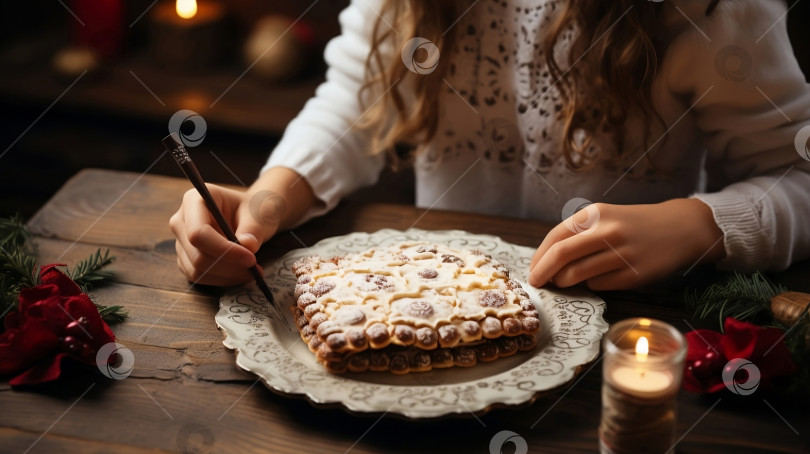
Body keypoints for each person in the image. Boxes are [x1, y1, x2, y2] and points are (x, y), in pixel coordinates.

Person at [169, 0, 810, 291]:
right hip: (429, 306)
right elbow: (356, 101)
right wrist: (274, 193)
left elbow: (795, 173)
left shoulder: (718, 11)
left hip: (634, 333)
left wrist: (696, 225)